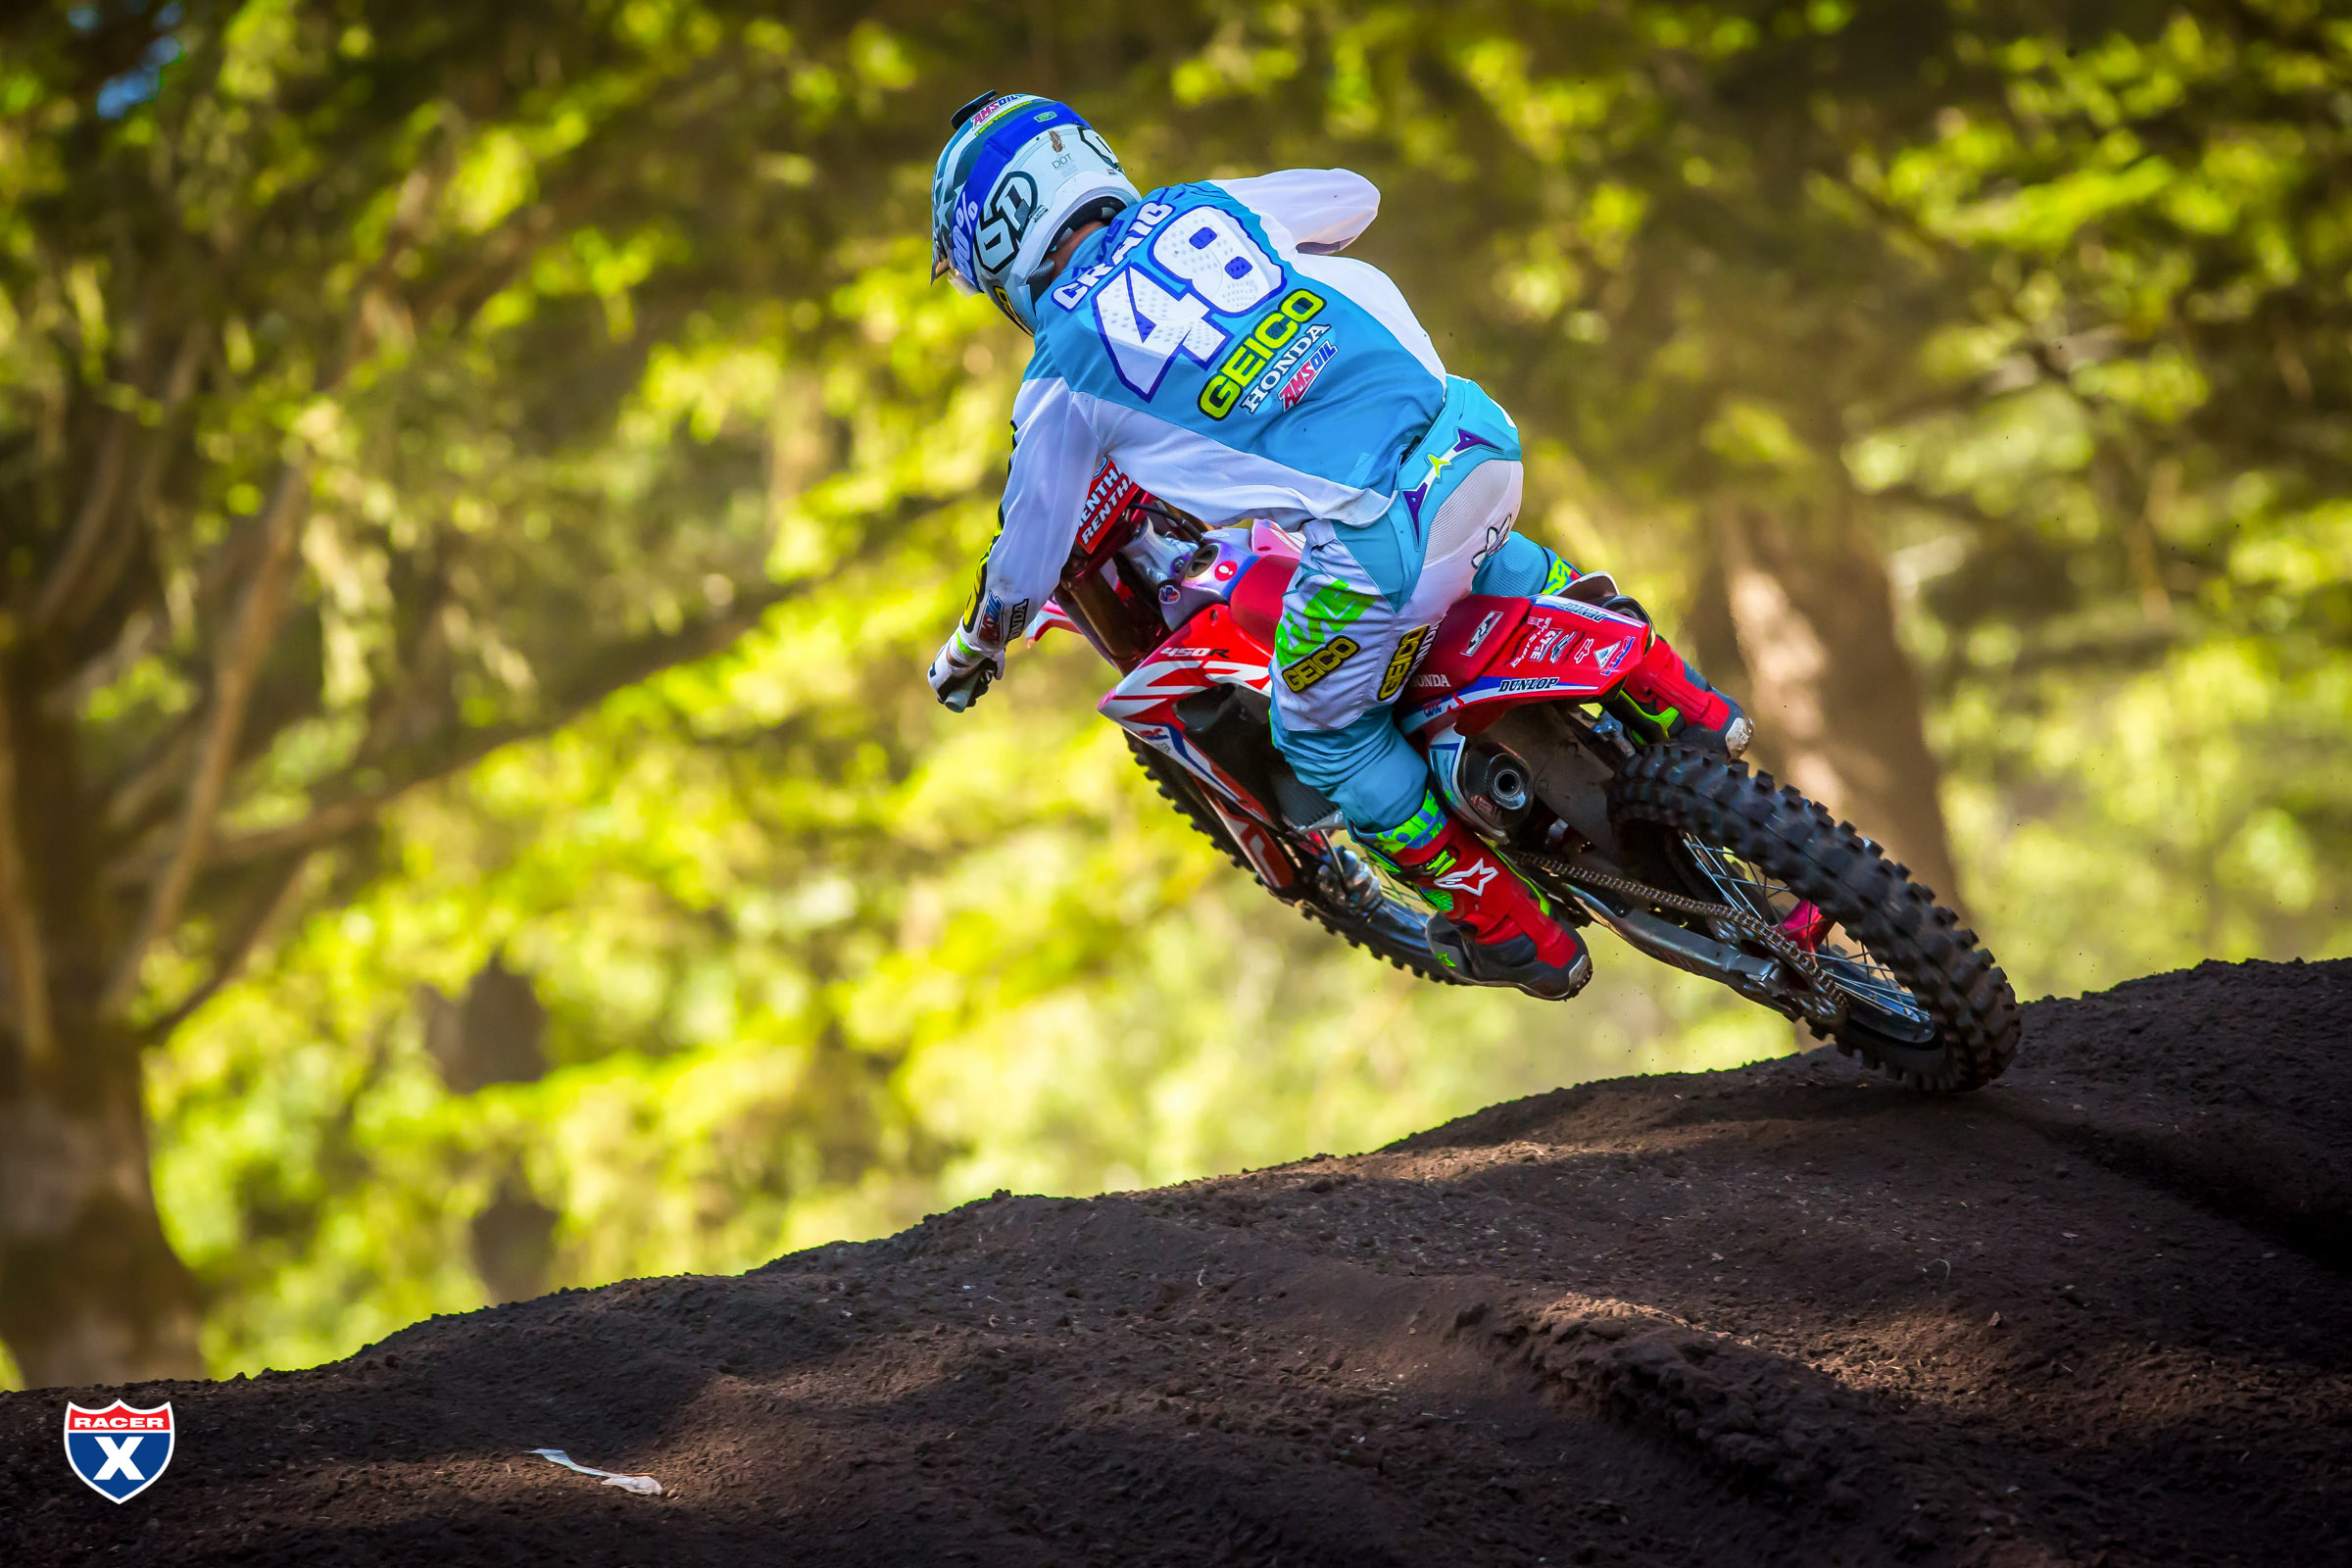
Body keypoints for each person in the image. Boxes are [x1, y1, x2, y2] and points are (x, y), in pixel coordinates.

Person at [924, 92, 1747, 1001]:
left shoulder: (1060, 371)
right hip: (1474, 439)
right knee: (1510, 573)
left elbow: (1027, 558)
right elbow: (1355, 197)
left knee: (1320, 735)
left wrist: (979, 644)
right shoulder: (1205, 209)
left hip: (1374, 542)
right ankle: (1689, 707)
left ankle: (1517, 932)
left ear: (995, 252)